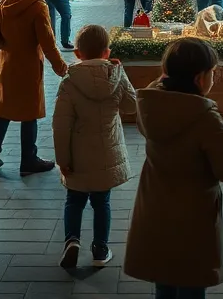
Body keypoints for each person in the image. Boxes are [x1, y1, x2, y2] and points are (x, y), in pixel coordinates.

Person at [124, 37, 223, 298]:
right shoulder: (205, 117)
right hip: (193, 218)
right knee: (191, 285)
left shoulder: (150, 105)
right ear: (200, 78)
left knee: (163, 282)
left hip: (154, 210)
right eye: (212, 72)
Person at [54, 23, 137, 270]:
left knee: (74, 200)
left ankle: (72, 240)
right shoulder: (115, 76)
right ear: (107, 52)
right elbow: (132, 107)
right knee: (102, 203)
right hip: (106, 154)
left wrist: (62, 159)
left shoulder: (69, 82)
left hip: (77, 156)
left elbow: (61, 125)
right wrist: (122, 74)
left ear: (77, 53)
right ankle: (100, 249)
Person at [0, 0, 68, 174]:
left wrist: (6, 46)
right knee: (29, 113)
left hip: (6, 63)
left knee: (2, 111)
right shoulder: (37, 5)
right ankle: (28, 160)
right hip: (28, 65)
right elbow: (47, 42)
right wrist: (61, 68)